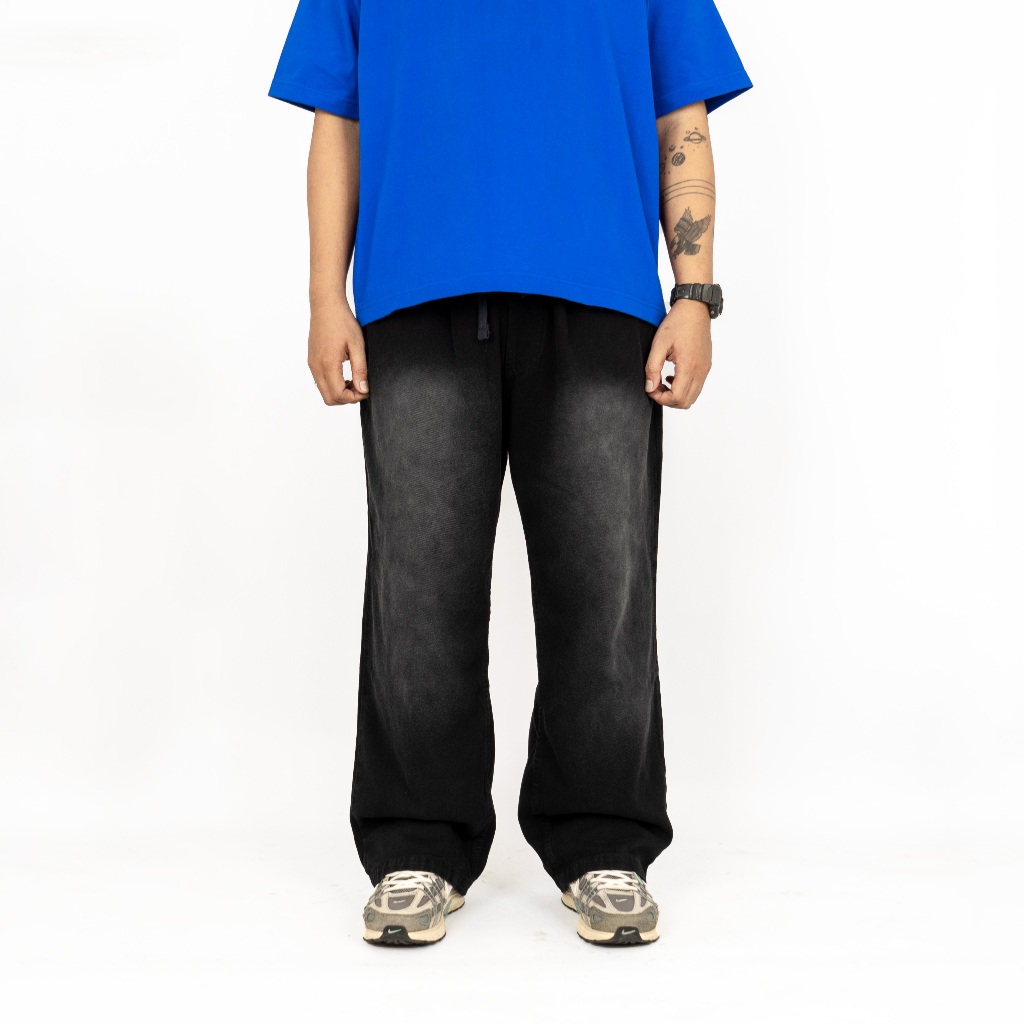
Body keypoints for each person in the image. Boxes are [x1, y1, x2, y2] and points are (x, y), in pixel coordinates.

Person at [267, 0, 752, 947]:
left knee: (604, 587)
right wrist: (326, 298)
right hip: (416, 293)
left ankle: (603, 841)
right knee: (417, 588)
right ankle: (417, 844)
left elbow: (682, 116)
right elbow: (338, 117)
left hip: (601, 293)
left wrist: (694, 296)